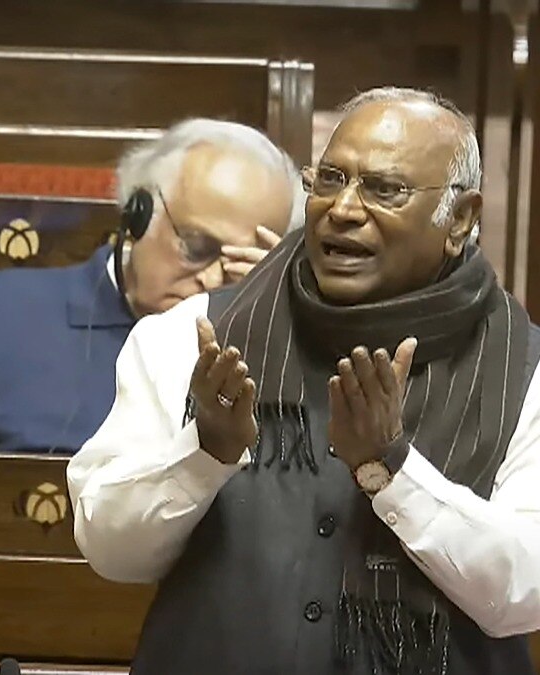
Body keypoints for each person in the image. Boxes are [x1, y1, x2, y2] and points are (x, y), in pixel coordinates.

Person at [67, 87, 540, 673]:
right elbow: (109, 549)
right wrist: (203, 454)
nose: (343, 208)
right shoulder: (191, 335)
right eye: (330, 179)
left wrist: (393, 470)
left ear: (460, 218)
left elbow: (525, 592)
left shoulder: (526, 371)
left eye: (384, 189)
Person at [0, 119, 304, 454]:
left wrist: (272, 314)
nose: (211, 279)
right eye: (196, 247)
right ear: (140, 213)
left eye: (238, 264)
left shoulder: (279, 355)